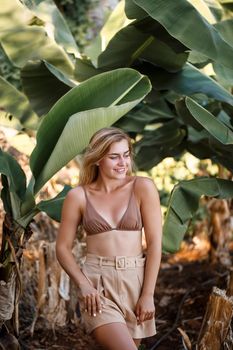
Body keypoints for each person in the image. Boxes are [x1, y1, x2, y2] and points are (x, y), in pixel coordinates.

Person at [56, 127, 162, 350]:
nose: (122, 162)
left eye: (126, 155)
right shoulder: (78, 197)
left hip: (136, 280)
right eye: (114, 156)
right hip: (98, 285)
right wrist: (83, 285)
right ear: (97, 159)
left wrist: (148, 294)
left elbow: (154, 245)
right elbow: (63, 248)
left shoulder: (143, 188)